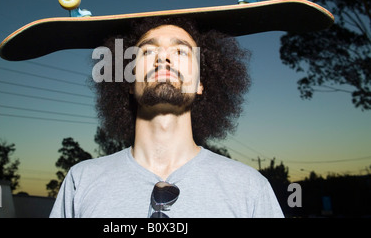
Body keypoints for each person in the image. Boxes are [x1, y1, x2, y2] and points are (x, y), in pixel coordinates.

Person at [49, 17, 284, 218]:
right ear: (129, 81)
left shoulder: (249, 187)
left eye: (181, 51)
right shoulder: (81, 180)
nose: (163, 58)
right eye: (148, 51)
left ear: (200, 83)